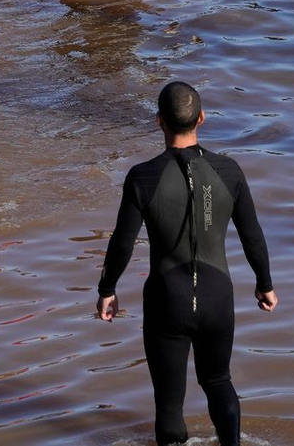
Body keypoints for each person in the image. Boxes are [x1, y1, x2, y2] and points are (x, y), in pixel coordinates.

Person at [97, 82, 277, 445]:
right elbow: (252, 235)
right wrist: (265, 283)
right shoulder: (229, 171)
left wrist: (107, 289)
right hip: (216, 297)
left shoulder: (142, 177)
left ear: (159, 120)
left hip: (167, 298)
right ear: (202, 118)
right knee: (218, 382)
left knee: (168, 402)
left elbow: (123, 242)